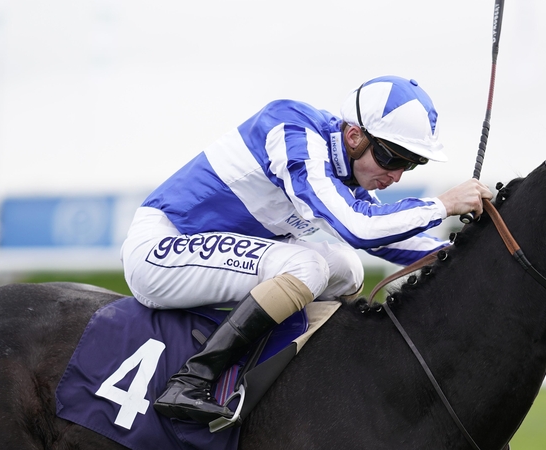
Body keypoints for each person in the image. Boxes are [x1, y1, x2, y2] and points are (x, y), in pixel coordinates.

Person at [120, 75, 493, 424]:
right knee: (308, 265)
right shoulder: (292, 129)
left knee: (347, 267)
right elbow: (359, 227)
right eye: (392, 157)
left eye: (411, 164)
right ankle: (191, 379)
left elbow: (390, 238)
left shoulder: (343, 169)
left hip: (204, 253)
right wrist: (442, 205)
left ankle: (309, 374)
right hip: (160, 249)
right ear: (353, 136)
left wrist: (474, 251)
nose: (396, 175)